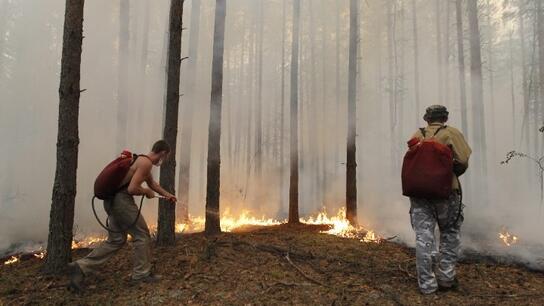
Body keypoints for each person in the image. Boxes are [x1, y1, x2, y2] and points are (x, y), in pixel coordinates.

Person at [68, 140, 177, 291]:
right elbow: (133, 189)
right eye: (166, 157)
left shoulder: (140, 160)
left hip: (111, 201)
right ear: (163, 153)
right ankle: (141, 275)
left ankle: (80, 267)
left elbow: (152, 184)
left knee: (116, 240)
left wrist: (168, 195)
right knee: (142, 235)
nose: (164, 160)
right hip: (122, 202)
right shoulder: (146, 164)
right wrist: (145, 192)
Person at [408, 105, 472, 294]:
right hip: (447, 194)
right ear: (444, 118)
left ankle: (427, 285)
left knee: (423, 237)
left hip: (419, 194)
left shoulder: (417, 134)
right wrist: (448, 174)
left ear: (427, 118)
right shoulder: (452, 133)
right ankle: (446, 279)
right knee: (450, 233)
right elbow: (462, 161)